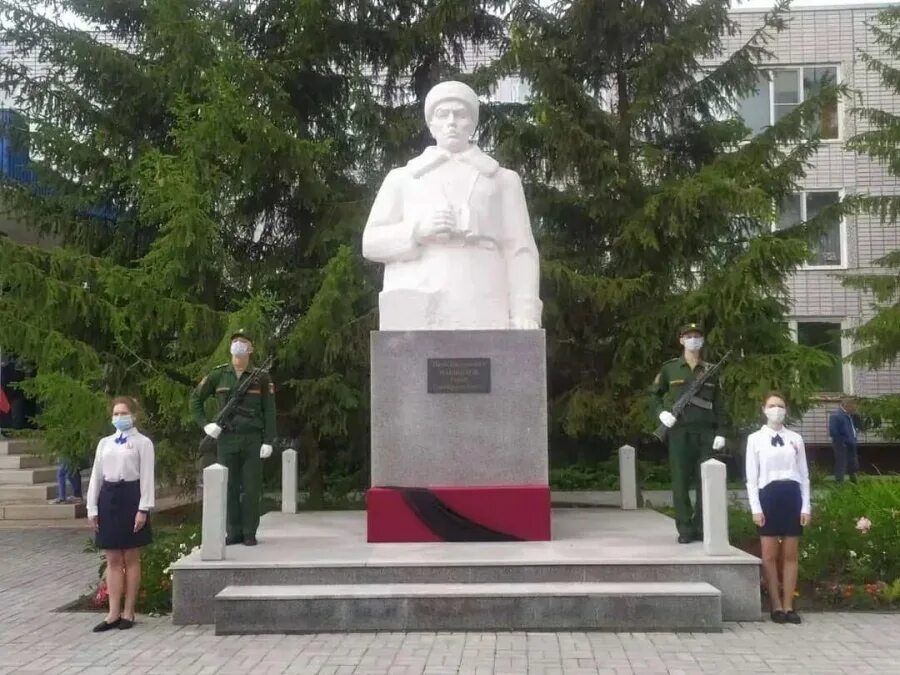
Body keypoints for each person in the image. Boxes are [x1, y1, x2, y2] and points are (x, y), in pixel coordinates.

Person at [362, 80, 542, 331]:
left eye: (460, 115)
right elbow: (371, 243)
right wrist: (417, 230)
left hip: (484, 299)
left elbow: (520, 250)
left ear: (472, 123)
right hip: (420, 297)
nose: (451, 122)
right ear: (431, 123)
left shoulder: (502, 180)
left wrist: (525, 310)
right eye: (442, 114)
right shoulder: (403, 178)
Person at [190, 330, 276, 546]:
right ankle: (233, 531)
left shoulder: (261, 377)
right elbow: (195, 399)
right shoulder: (219, 375)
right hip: (226, 439)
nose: (238, 345)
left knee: (251, 488)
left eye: (243, 342)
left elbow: (269, 410)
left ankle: (249, 532)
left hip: (252, 439)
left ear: (250, 349)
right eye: (235, 341)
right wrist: (206, 425)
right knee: (229, 486)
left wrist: (268, 440)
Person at [650, 323, 728, 544]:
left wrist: (721, 431)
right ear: (681, 340)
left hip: (705, 433)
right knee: (681, 482)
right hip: (680, 433)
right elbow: (653, 395)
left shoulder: (711, 370)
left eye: (697, 336)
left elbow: (720, 403)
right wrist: (661, 414)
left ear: (702, 341)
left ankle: (702, 527)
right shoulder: (670, 368)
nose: (694, 340)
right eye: (689, 336)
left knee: (706, 481)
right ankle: (685, 528)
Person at [85, 396, 155, 632]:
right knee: (113, 558)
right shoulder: (105, 443)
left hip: (131, 497)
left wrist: (143, 508)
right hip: (109, 498)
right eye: (115, 414)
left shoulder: (143, 443)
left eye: (123, 413)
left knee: (131, 557)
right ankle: (113, 612)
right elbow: (96, 475)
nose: (119, 417)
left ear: (133, 415)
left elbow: (146, 477)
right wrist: (92, 507)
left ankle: (129, 611)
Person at [745, 392, 811, 624]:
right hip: (768, 496)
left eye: (780, 405)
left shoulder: (795, 438)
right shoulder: (755, 439)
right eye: (772, 405)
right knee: (770, 555)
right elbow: (751, 478)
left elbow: (804, 475)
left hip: (791, 495)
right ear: (764, 409)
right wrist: (756, 507)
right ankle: (775, 606)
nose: (776, 409)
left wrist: (806, 507)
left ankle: (789, 605)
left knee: (790, 555)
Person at [829, 396, 860, 483]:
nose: (855, 408)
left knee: (853, 464)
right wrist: (843, 441)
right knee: (841, 463)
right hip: (842, 444)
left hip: (851, 443)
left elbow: (856, 427)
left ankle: (854, 482)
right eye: (853, 406)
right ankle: (839, 484)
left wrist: (857, 415)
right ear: (846, 405)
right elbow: (833, 431)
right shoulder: (836, 416)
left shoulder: (850, 415)